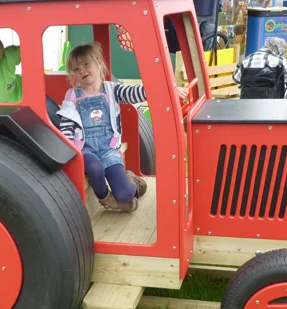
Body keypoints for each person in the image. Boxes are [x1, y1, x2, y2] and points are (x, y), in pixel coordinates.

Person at [56, 43, 188, 212]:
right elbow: (67, 123)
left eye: (86, 64)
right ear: (72, 74)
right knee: (95, 167)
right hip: (85, 150)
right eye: (76, 68)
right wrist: (70, 149)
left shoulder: (112, 90)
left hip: (108, 150)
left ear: (98, 63)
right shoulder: (73, 95)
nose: (82, 70)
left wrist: (167, 90)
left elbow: (136, 92)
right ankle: (105, 198)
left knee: (125, 195)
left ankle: (130, 181)